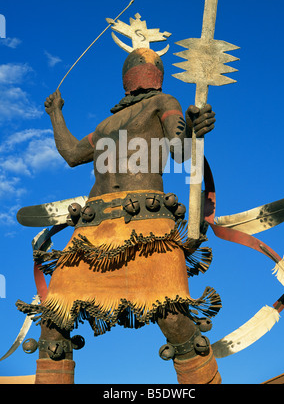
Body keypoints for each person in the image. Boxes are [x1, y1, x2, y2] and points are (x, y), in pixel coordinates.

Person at [17, 47, 221, 384]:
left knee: (174, 319)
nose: (145, 66)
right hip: (91, 231)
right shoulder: (105, 126)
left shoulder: (164, 103)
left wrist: (195, 131)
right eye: (142, 62)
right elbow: (71, 153)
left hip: (148, 225)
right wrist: (55, 114)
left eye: (149, 63)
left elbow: (180, 150)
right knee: (54, 325)